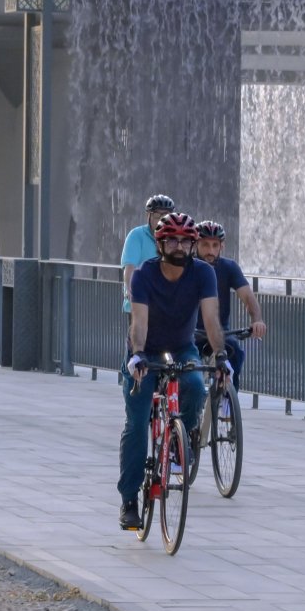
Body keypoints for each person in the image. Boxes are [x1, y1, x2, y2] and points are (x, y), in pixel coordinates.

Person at [118, 212, 225, 531]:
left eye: (185, 241)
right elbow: (138, 323)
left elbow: (210, 319)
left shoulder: (204, 274)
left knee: (194, 384)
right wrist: (137, 356)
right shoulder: (144, 275)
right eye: (172, 241)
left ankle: (184, 440)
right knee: (137, 424)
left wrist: (220, 356)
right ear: (160, 244)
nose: (179, 246)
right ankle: (129, 500)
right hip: (145, 351)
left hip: (182, 348)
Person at [192, 220, 266, 377]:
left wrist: (257, 319)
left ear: (222, 246)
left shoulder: (229, 267)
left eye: (215, 245)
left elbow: (247, 296)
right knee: (188, 372)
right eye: (205, 245)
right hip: (191, 332)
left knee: (235, 354)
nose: (210, 251)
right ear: (195, 245)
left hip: (221, 332)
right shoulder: (187, 267)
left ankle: (228, 399)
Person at [121, 193, 178, 315]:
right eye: (157, 215)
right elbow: (130, 267)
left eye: (166, 215)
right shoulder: (136, 236)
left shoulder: (177, 239)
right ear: (148, 216)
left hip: (167, 305)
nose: (162, 220)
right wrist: (132, 293)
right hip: (140, 304)